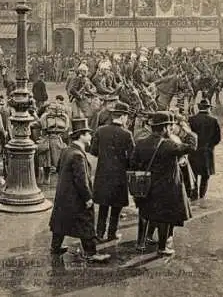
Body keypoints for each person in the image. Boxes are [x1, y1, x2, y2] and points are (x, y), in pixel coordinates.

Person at [131, 111, 197, 255]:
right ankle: (162, 248)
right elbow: (191, 147)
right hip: (166, 188)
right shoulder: (168, 145)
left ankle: (141, 243)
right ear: (165, 128)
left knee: (145, 213)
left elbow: (133, 163)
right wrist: (189, 132)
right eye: (169, 126)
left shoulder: (141, 142)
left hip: (145, 186)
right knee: (164, 217)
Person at [49, 118, 110, 262]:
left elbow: (58, 169)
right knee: (86, 222)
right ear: (81, 135)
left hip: (64, 196)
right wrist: (88, 198)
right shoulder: (77, 155)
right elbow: (81, 180)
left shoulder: (67, 150)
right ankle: (90, 253)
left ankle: (55, 247)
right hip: (75, 197)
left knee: (60, 221)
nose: (91, 136)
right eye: (88, 133)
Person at [90, 102, 135, 242]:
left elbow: (93, 151)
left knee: (103, 205)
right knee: (116, 207)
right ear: (122, 117)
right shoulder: (127, 134)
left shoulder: (100, 131)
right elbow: (133, 157)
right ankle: (112, 233)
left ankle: (99, 233)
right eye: (126, 116)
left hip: (103, 173)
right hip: (119, 175)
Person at [188, 99, 221, 202]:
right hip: (207, 152)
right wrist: (210, 146)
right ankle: (202, 196)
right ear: (208, 108)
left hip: (193, 152)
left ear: (199, 107)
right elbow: (217, 138)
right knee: (205, 176)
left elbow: (187, 136)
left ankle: (194, 196)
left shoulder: (191, 119)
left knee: (193, 175)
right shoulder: (213, 120)